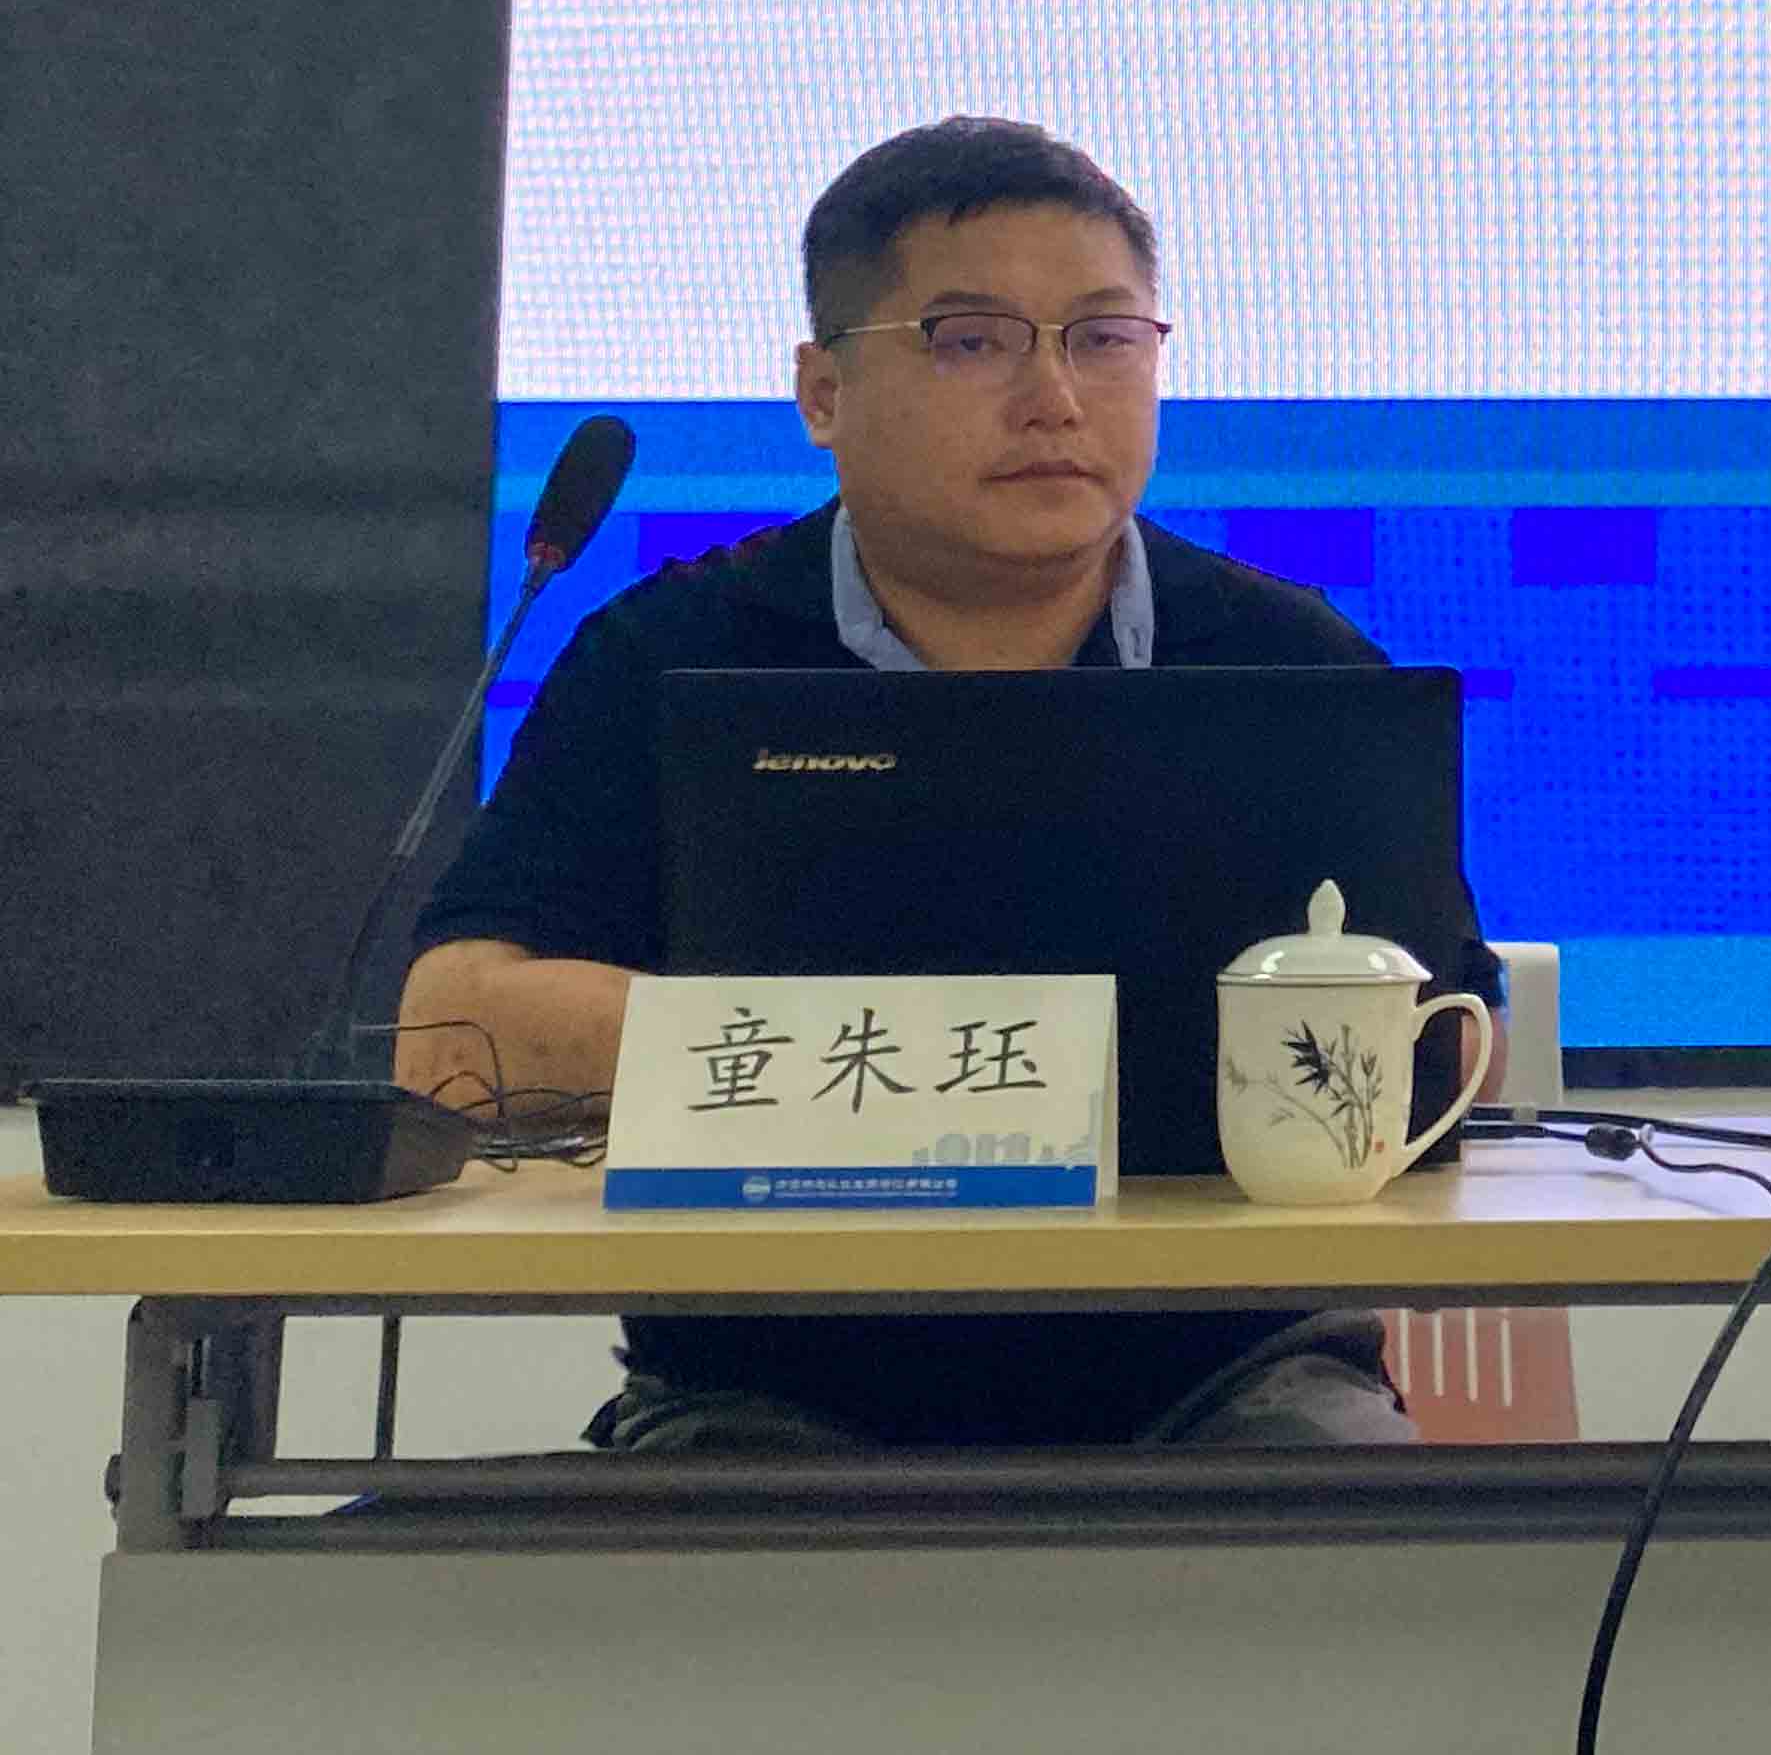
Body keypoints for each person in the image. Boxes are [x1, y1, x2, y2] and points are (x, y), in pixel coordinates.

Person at [398, 116, 1497, 1453]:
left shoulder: (1286, 660)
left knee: (1366, 1517)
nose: (1056, 399)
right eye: (973, 341)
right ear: (821, 392)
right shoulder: (669, 653)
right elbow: (453, 1032)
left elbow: (1451, 1043)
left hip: (1233, 1378)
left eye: (1105, 338)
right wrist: (940, 1068)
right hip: (766, 1391)